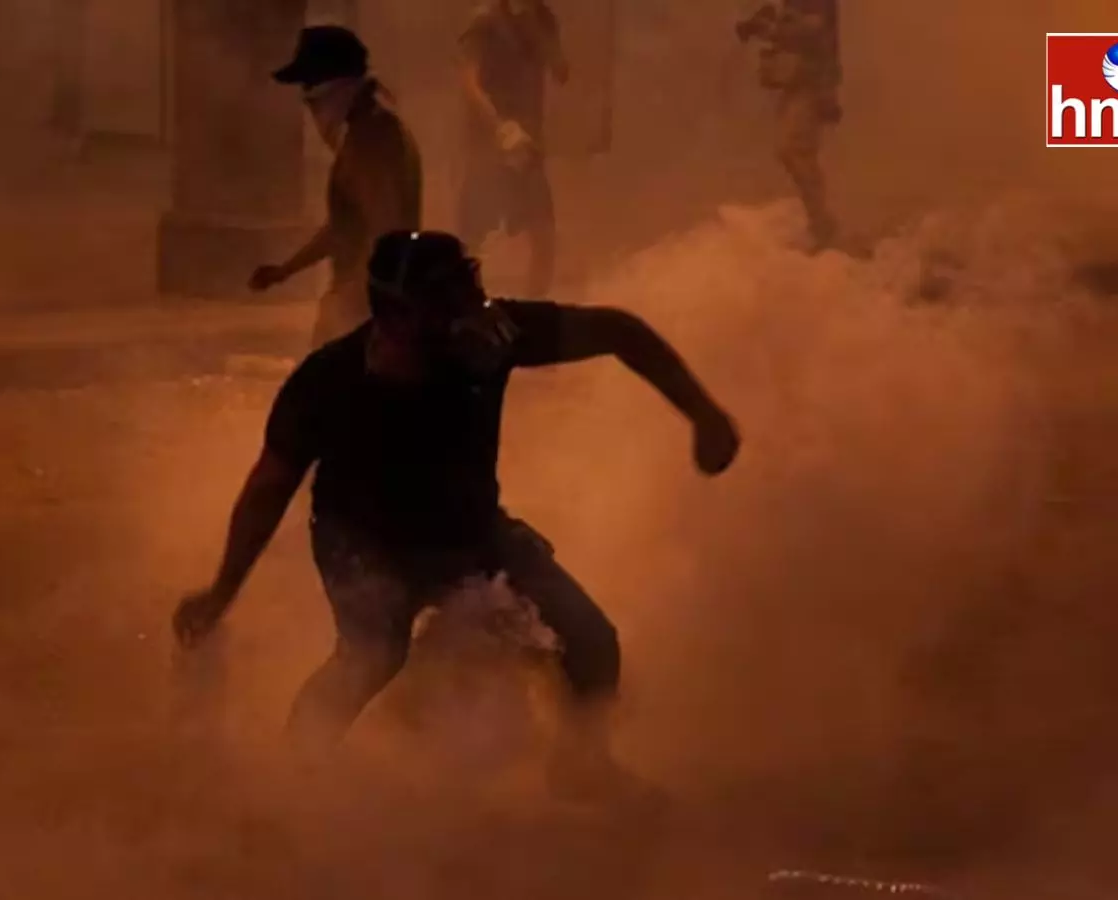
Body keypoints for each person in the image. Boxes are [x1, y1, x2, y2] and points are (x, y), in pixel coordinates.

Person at [173, 229, 740, 802]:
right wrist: (221, 592)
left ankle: (583, 766)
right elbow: (269, 488)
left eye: (472, 286)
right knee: (370, 655)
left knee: (590, 638)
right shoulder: (328, 382)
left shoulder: (492, 341)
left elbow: (619, 331)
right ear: (396, 317)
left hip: (469, 528)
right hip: (360, 543)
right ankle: (293, 787)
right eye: (447, 298)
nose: (472, 309)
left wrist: (704, 414)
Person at [251, 25, 423, 348]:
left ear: (336, 90)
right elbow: (345, 227)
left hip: (365, 313)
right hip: (368, 307)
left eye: (312, 99)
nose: (313, 113)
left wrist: (349, 306)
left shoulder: (370, 141)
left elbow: (385, 235)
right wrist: (286, 270)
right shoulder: (372, 129)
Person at [457, 0, 569, 298]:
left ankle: (531, 310)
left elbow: (561, 72)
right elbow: (470, 83)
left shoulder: (542, 20)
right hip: (488, 148)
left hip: (527, 150)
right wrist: (500, 127)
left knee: (544, 239)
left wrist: (543, 32)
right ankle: (465, 311)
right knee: (471, 242)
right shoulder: (484, 22)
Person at [736, 0, 842, 253]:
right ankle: (820, 223)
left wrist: (769, 29)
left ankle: (823, 225)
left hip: (811, 84)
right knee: (793, 152)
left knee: (793, 151)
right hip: (798, 83)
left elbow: (813, 31)